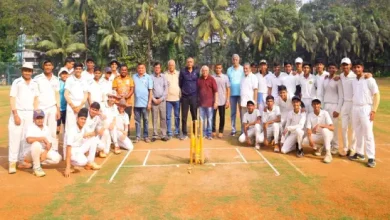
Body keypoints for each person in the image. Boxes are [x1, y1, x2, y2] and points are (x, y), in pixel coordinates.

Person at [8, 63, 39, 174]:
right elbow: (12, 98)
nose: (27, 72)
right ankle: (12, 162)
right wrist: (15, 114)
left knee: (26, 138)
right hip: (19, 112)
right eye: (25, 70)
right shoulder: (17, 82)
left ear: (32, 71)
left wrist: (36, 114)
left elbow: (36, 99)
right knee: (15, 137)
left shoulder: (35, 83)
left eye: (29, 71)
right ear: (22, 71)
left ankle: (22, 161)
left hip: (30, 113)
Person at [349, 60, 380, 168]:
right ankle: (359, 153)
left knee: (368, 133)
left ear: (362, 68)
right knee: (357, 132)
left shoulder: (369, 79)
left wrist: (374, 110)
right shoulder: (353, 81)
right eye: (355, 67)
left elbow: (376, 95)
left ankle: (371, 157)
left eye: (359, 67)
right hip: (355, 108)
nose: (357, 69)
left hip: (366, 108)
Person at [19, 110, 62, 177]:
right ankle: (36, 168)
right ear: (34, 119)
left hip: (42, 151)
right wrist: (42, 138)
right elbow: (29, 140)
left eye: (41, 118)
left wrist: (45, 152)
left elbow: (49, 143)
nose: (40, 120)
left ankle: (32, 164)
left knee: (57, 158)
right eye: (38, 118)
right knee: (36, 144)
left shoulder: (46, 128)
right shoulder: (31, 127)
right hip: (30, 152)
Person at [64, 108, 101, 178]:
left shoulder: (83, 127)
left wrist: (96, 132)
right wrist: (67, 167)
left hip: (79, 148)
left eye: (84, 119)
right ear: (77, 119)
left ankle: (90, 162)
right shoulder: (72, 130)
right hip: (72, 150)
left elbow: (89, 134)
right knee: (83, 161)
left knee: (93, 140)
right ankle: (71, 165)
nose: (83, 121)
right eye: (81, 119)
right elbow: (68, 148)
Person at [34, 59, 60, 151]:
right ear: (43, 67)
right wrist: (36, 109)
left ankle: (54, 149)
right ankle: (41, 149)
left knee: (53, 130)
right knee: (41, 129)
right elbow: (35, 95)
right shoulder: (37, 79)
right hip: (41, 108)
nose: (48, 67)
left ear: (52, 67)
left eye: (50, 65)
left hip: (52, 107)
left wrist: (58, 110)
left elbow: (57, 95)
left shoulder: (56, 79)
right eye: (46, 65)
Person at [64, 63, 88, 156]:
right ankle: (67, 155)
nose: (78, 70)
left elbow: (85, 94)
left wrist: (80, 105)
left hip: (81, 106)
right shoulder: (69, 79)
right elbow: (66, 94)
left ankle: (80, 152)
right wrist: (73, 106)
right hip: (71, 106)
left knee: (81, 127)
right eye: (76, 68)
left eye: (80, 69)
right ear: (74, 69)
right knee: (69, 129)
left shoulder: (84, 80)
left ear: (82, 70)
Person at [302, 99, 334, 163]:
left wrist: (320, 125)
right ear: (312, 105)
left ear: (320, 105)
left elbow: (332, 127)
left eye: (317, 104)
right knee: (304, 141)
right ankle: (320, 147)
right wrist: (311, 140)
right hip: (317, 136)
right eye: (314, 104)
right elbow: (308, 129)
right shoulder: (310, 115)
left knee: (325, 130)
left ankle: (328, 154)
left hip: (327, 135)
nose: (316, 105)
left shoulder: (325, 113)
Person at [323, 62, 343, 155]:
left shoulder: (338, 80)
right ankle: (327, 145)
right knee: (326, 126)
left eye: (333, 68)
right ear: (328, 69)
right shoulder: (325, 79)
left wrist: (338, 109)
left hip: (334, 105)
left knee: (333, 127)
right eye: (330, 68)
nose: (331, 70)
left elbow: (341, 96)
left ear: (336, 69)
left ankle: (335, 146)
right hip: (325, 105)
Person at [339, 57, 357, 157]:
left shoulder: (354, 76)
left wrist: (368, 74)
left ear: (350, 66)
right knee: (344, 127)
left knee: (353, 127)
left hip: (353, 104)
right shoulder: (341, 76)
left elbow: (364, 76)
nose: (345, 66)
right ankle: (345, 148)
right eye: (343, 65)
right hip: (345, 103)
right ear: (341, 66)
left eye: (347, 65)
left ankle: (352, 148)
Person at [179, 57, 199, 140]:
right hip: (185, 97)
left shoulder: (197, 71)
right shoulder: (183, 71)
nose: (189, 63)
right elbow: (180, 83)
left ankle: (195, 133)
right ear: (186, 63)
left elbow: (198, 82)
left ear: (193, 63)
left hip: (194, 96)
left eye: (191, 62)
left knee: (194, 115)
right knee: (184, 116)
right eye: (188, 62)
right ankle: (184, 133)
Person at [133, 63, 153, 143]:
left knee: (146, 120)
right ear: (137, 69)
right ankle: (138, 136)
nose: (140, 69)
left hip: (145, 104)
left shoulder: (148, 77)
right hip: (136, 104)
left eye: (142, 68)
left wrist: (149, 103)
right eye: (139, 68)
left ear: (145, 69)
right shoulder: (134, 77)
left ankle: (146, 136)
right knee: (137, 121)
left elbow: (150, 91)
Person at [112, 64, 134, 137]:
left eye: (125, 70)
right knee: (118, 120)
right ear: (120, 70)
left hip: (128, 103)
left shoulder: (130, 79)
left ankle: (127, 136)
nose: (123, 71)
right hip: (118, 104)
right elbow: (114, 90)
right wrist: (119, 97)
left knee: (126, 120)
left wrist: (126, 97)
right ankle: (117, 137)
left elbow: (132, 89)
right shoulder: (116, 79)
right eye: (122, 70)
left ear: (127, 71)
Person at [198, 65, 218, 140]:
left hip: (210, 104)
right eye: (203, 70)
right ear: (201, 71)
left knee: (209, 119)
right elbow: (197, 91)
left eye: (206, 70)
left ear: (208, 71)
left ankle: (209, 134)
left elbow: (216, 91)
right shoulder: (199, 80)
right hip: (201, 104)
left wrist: (216, 102)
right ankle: (202, 133)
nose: (204, 72)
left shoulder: (212, 79)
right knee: (201, 119)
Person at [151, 62, 168, 142]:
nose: (157, 69)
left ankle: (163, 134)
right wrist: (153, 99)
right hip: (154, 100)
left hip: (162, 101)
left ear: (160, 68)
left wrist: (161, 99)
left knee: (163, 118)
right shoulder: (150, 77)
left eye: (158, 67)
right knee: (154, 118)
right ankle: (154, 134)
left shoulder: (164, 77)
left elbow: (166, 89)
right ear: (154, 68)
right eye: (156, 67)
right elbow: (149, 90)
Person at [227, 54, 244, 136]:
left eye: (236, 59)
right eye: (233, 59)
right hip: (232, 95)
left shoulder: (242, 69)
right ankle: (233, 130)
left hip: (241, 94)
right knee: (233, 112)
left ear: (239, 60)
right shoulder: (229, 70)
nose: (235, 60)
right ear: (232, 60)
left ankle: (242, 130)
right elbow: (228, 83)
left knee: (242, 112)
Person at [212, 64, 230, 138]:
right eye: (217, 68)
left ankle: (221, 131)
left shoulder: (225, 77)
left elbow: (228, 89)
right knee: (213, 116)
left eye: (219, 68)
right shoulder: (212, 77)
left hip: (222, 100)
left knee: (222, 117)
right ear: (215, 69)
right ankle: (213, 130)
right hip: (214, 101)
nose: (218, 69)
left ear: (221, 69)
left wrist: (227, 100)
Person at [164, 60, 181, 139]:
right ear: (168, 66)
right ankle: (169, 132)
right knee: (168, 116)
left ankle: (177, 131)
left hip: (177, 98)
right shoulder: (165, 75)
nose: (171, 66)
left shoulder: (178, 74)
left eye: (172, 65)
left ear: (175, 66)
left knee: (177, 116)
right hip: (168, 99)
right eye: (170, 65)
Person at [57, 68, 69, 135]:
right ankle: (55, 142)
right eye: (63, 74)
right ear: (60, 74)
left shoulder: (70, 83)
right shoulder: (57, 83)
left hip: (66, 109)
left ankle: (64, 143)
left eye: (66, 73)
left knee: (66, 127)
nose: (64, 75)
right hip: (58, 108)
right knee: (57, 127)